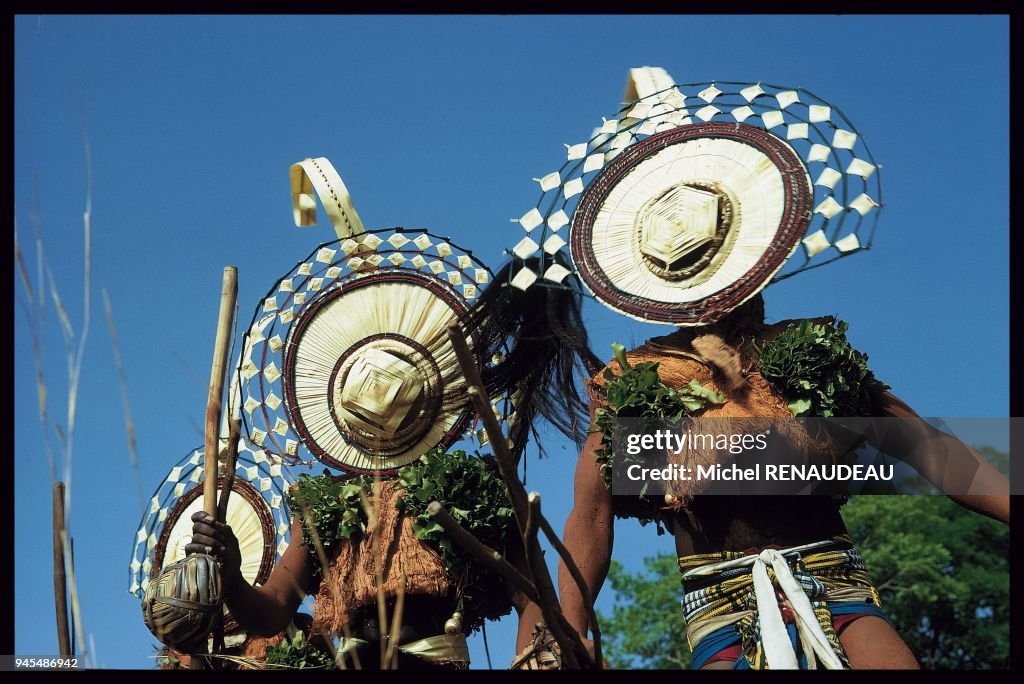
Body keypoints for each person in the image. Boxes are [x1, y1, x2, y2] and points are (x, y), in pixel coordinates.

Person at [487, 66, 1010, 669]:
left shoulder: (808, 355)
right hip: (719, 605)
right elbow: (593, 510)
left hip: (836, 581)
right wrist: (565, 629)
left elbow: (927, 449)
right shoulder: (638, 381)